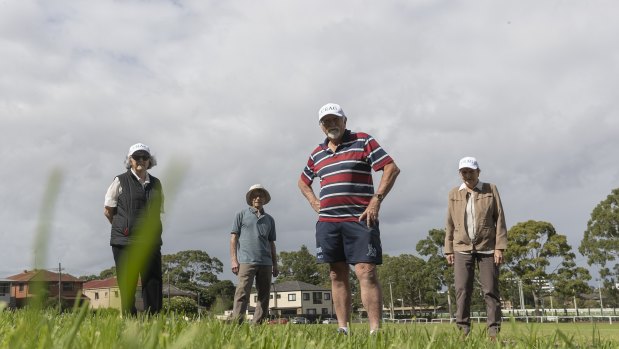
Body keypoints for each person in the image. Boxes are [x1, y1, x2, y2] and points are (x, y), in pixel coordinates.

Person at [298, 103, 400, 334]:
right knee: (336, 273)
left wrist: (376, 200)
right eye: (326, 121)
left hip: (360, 219)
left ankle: (376, 330)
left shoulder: (363, 141)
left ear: (345, 121)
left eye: (335, 119)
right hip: (328, 223)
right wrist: (315, 202)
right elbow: (302, 182)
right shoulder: (317, 153)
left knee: (366, 271)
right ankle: (343, 328)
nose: (331, 124)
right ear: (322, 127)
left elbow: (391, 168)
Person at [444, 156, 507, 339]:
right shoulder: (453, 193)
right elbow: (449, 223)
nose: (468, 175)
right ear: (460, 174)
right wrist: (448, 249)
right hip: (461, 247)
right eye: (464, 172)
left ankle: (493, 332)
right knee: (462, 290)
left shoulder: (490, 189)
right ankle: (463, 331)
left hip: (487, 247)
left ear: (478, 172)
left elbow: (500, 218)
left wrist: (499, 247)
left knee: (490, 290)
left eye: (471, 171)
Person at [104, 143, 164, 315]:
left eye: (145, 158)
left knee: (153, 281)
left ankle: (154, 320)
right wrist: (122, 226)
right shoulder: (120, 181)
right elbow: (108, 210)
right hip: (124, 240)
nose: (141, 161)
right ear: (129, 160)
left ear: (149, 161)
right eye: (136, 157)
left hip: (150, 241)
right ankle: (129, 319)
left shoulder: (156, 184)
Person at [230, 184, 278, 324]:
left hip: (266, 263)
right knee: (242, 293)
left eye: (261, 195)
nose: (258, 198)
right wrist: (234, 260)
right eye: (255, 195)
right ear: (251, 199)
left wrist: (275, 264)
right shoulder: (241, 215)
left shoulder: (270, 219)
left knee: (264, 296)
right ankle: (236, 326)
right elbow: (233, 238)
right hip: (246, 261)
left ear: (264, 199)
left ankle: (258, 326)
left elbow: (271, 243)